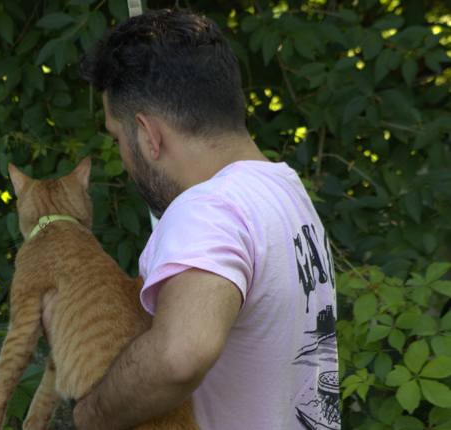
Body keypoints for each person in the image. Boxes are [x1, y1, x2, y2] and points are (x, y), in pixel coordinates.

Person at [42, 8, 340, 430]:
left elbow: (180, 356)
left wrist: (91, 414)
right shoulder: (285, 191)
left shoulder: (208, 209)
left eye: (117, 137)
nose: (123, 160)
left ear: (149, 134)